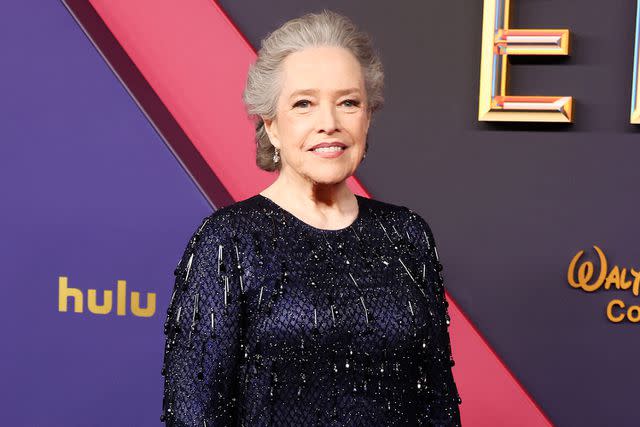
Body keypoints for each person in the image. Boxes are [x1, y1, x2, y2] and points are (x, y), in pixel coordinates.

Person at [160, 9, 461, 426]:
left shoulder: (406, 234)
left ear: (368, 117)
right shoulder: (229, 241)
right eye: (304, 104)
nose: (329, 123)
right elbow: (194, 413)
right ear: (272, 126)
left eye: (348, 103)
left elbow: (438, 404)